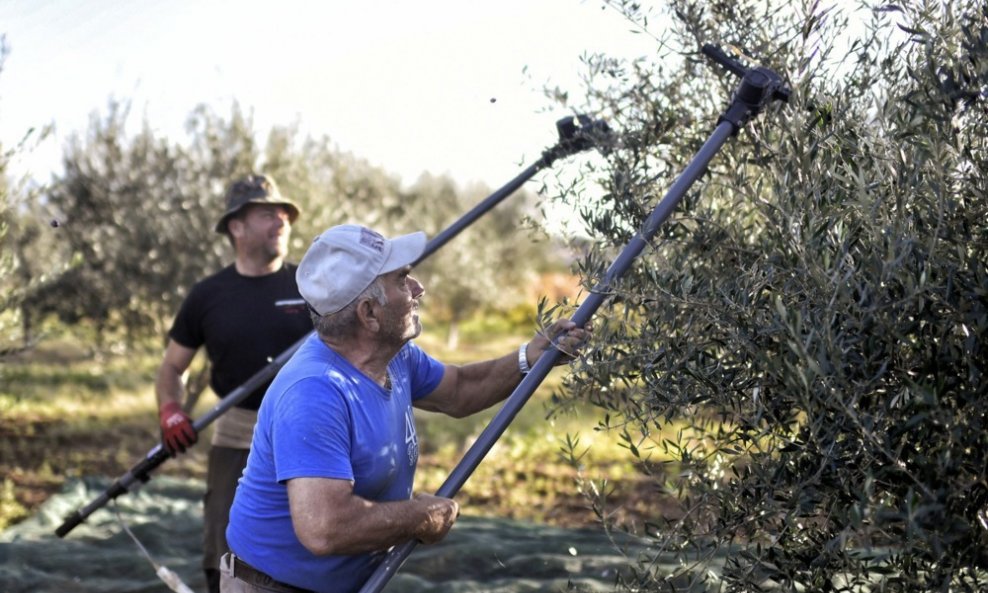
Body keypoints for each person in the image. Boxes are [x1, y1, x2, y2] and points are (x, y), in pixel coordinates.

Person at [221, 224, 591, 593]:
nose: (418, 289)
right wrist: (421, 517)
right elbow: (325, 527)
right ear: (369, 314)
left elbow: (460, 389)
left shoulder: (394, 358)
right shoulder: (315, 393)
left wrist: (529, 357)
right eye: (402, 280)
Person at [155, 174, 314, 593]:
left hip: (307, 432)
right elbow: (172, 367)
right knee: (224, 543)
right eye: (267, 214)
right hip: (237, 430)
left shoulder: (312, 288)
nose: (281, 222)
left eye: (284, 215)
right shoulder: (208, 296)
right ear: (235, 226)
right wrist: (171, 411)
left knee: (316, 539)